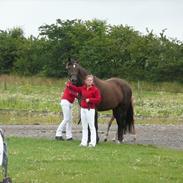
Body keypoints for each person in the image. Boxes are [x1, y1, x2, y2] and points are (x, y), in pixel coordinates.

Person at [67, 75, 101, 147]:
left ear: (92, 81)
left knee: (91, 126)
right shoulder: (83, 88)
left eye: (91, 80)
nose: (89, 81)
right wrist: (69, 85)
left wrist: (90, 100)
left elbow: (98, 99)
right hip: (83, 109)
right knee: (84, 126)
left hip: (90, 109)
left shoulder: (95, 90)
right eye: (88, 80)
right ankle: (83, 142)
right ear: (85, 81)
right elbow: (76, 89)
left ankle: (92, 143)